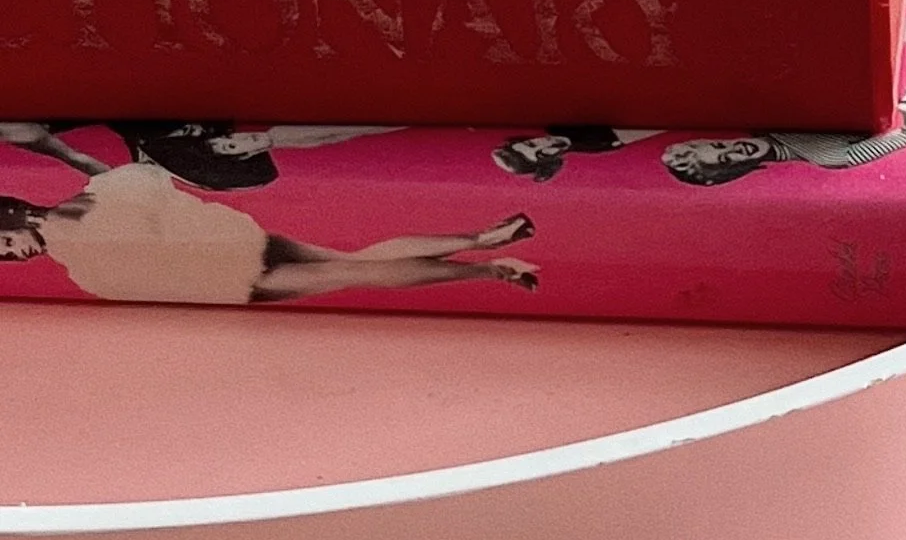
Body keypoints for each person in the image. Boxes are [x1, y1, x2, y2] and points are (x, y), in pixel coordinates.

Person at [0, 132, 537, 304]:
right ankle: (481, 239)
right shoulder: (86, 197)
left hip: (230, 274)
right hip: (236, 241)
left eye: (3, 245)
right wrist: (54, 148)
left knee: (358, 271)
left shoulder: (73, 245)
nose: (13, 258)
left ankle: (488, 268)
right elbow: (123, 176)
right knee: (353, 260)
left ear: (12, 214)